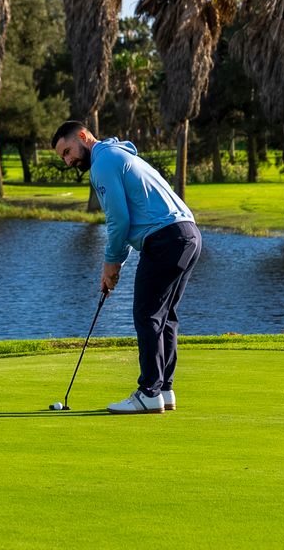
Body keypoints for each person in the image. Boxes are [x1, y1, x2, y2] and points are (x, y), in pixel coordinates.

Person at [51, 120, 202, 415]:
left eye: (68, 151)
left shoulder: (103, 163)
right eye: (63, 157)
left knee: (147, 315)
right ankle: (164, 390)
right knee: (164, 317)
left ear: (83, 136)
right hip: (187, 234)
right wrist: (117, 263)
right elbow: (134, 218)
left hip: (166, 238)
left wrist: (110, 263)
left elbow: (118, 221)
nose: (68, 161)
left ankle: (148, 392)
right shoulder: (120, 155)